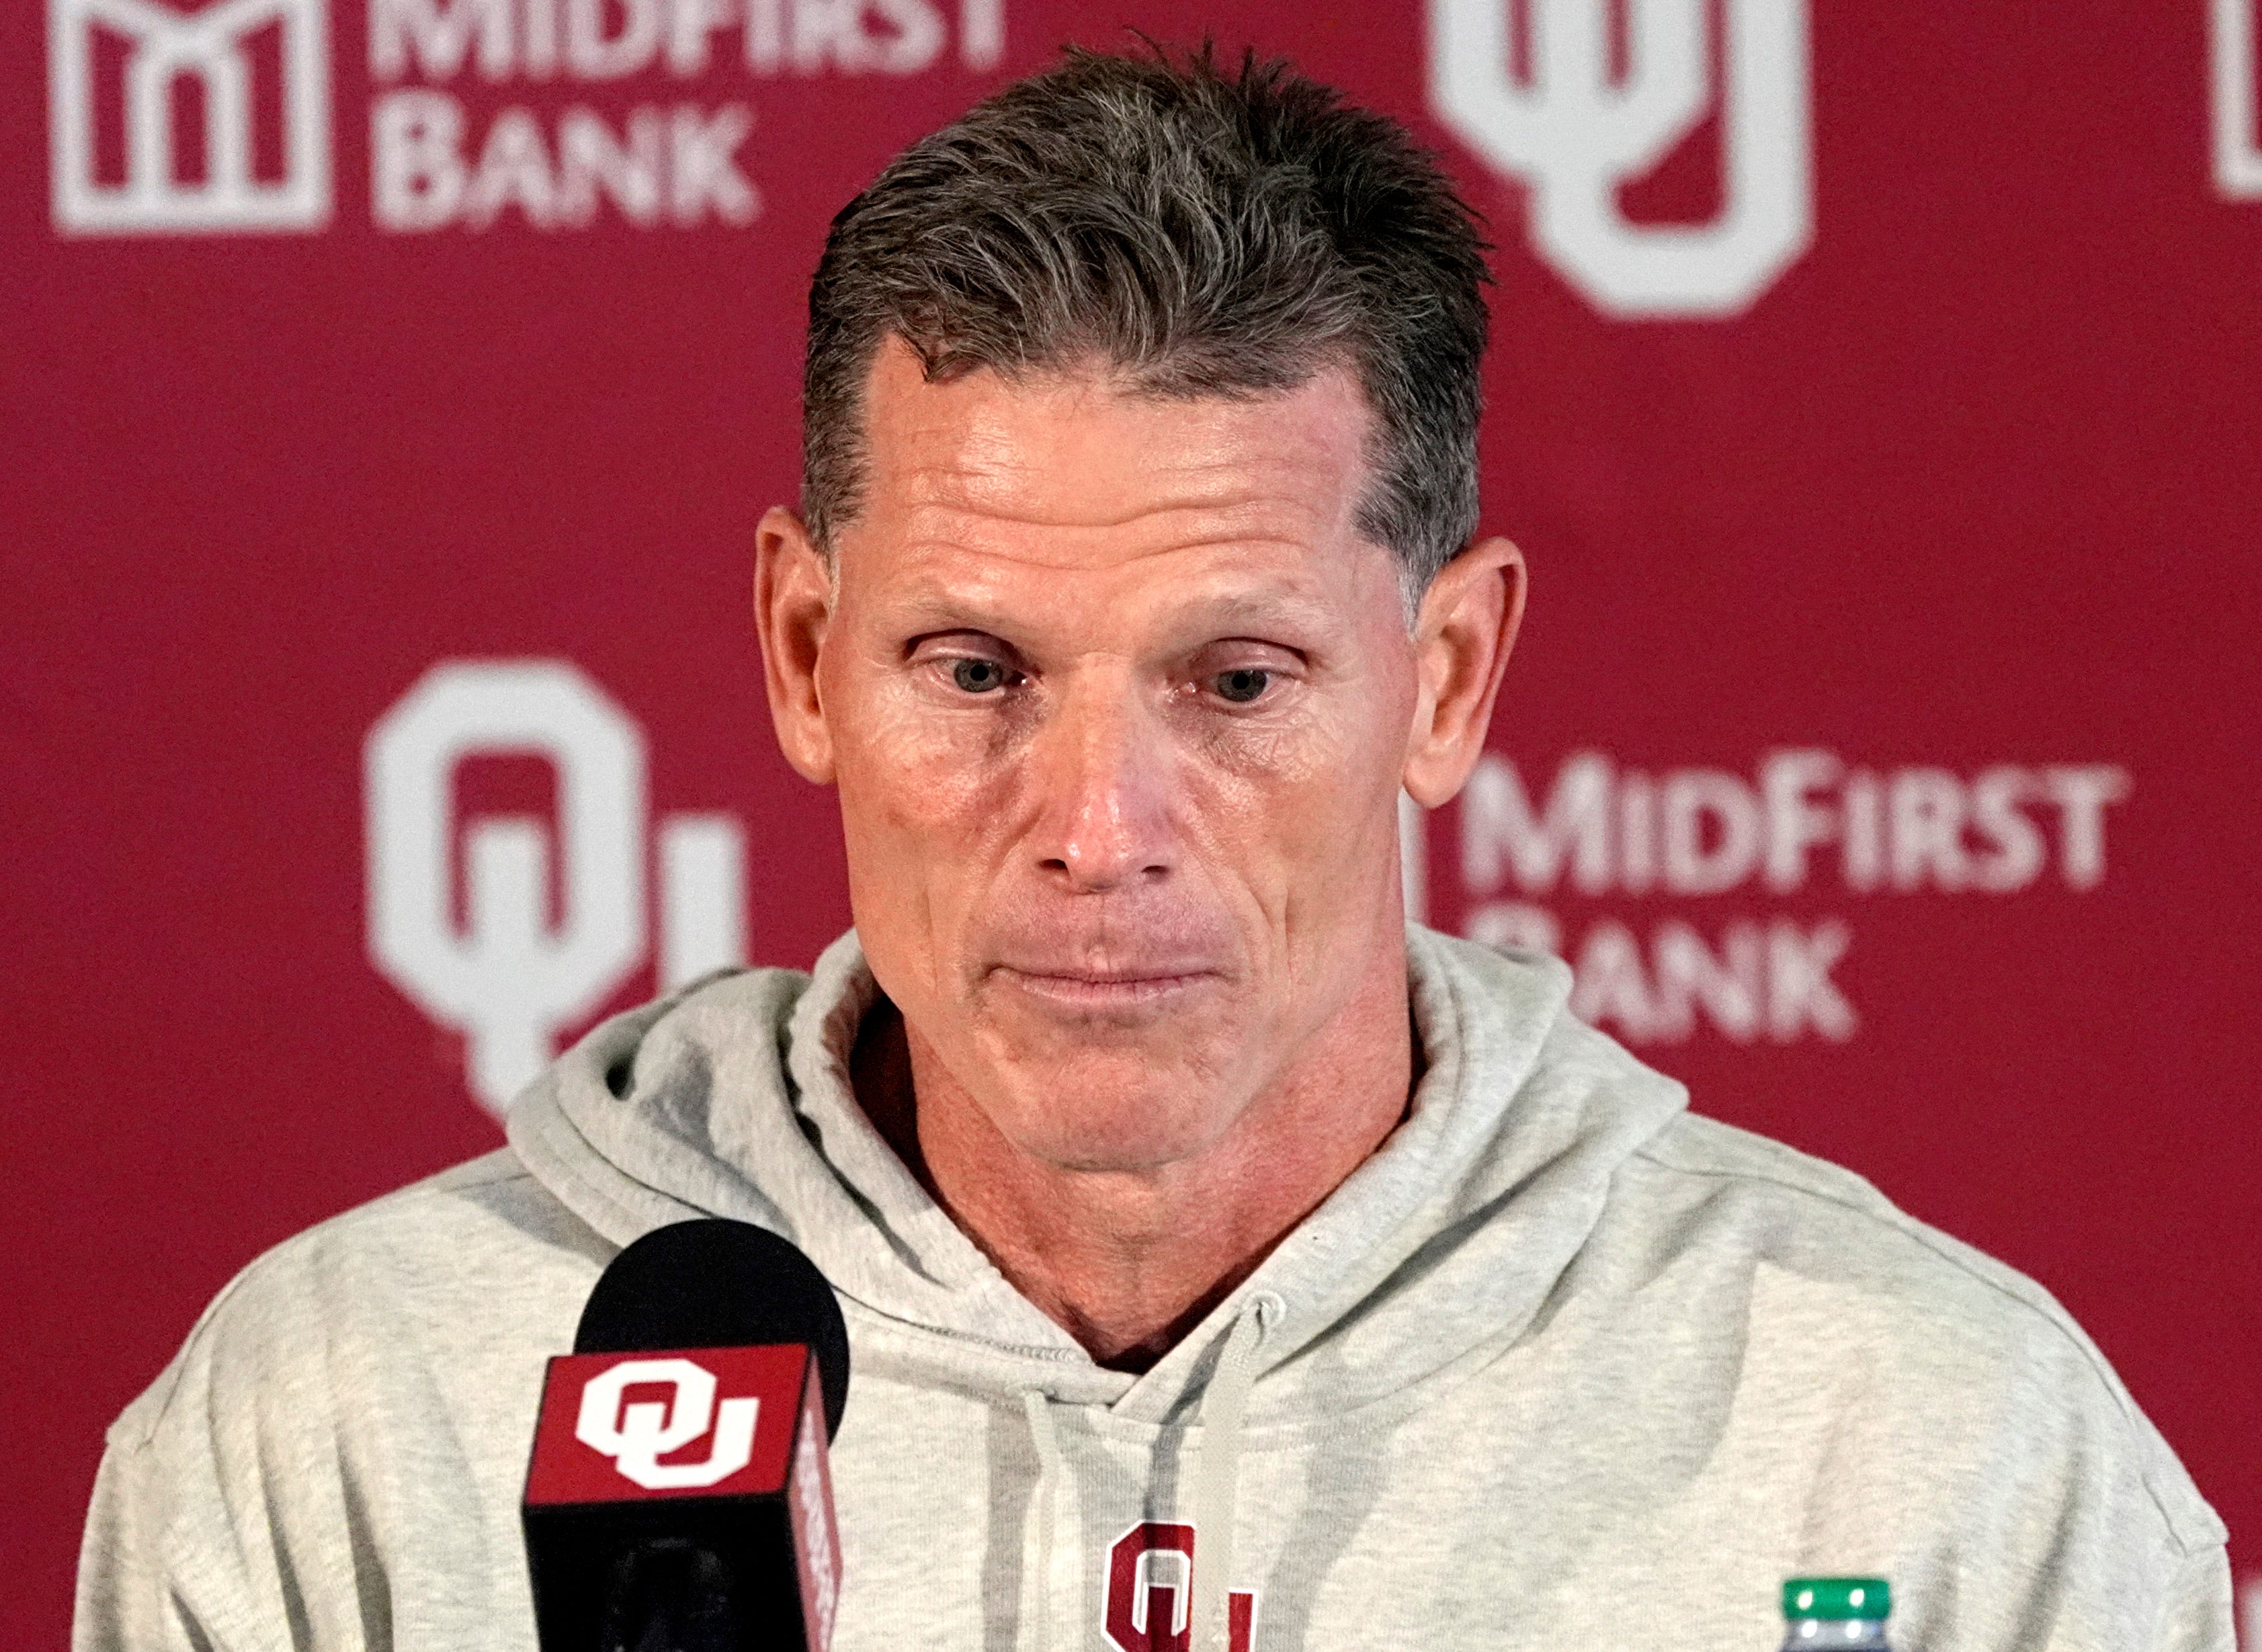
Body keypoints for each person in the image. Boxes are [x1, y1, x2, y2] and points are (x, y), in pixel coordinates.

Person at [77, 46, 2231, 1652]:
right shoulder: (345, 1425)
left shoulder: (1927, 1446)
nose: (1098, 833)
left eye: (1236, 682)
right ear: (803, 651)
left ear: (1450, 677)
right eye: (978, 667)